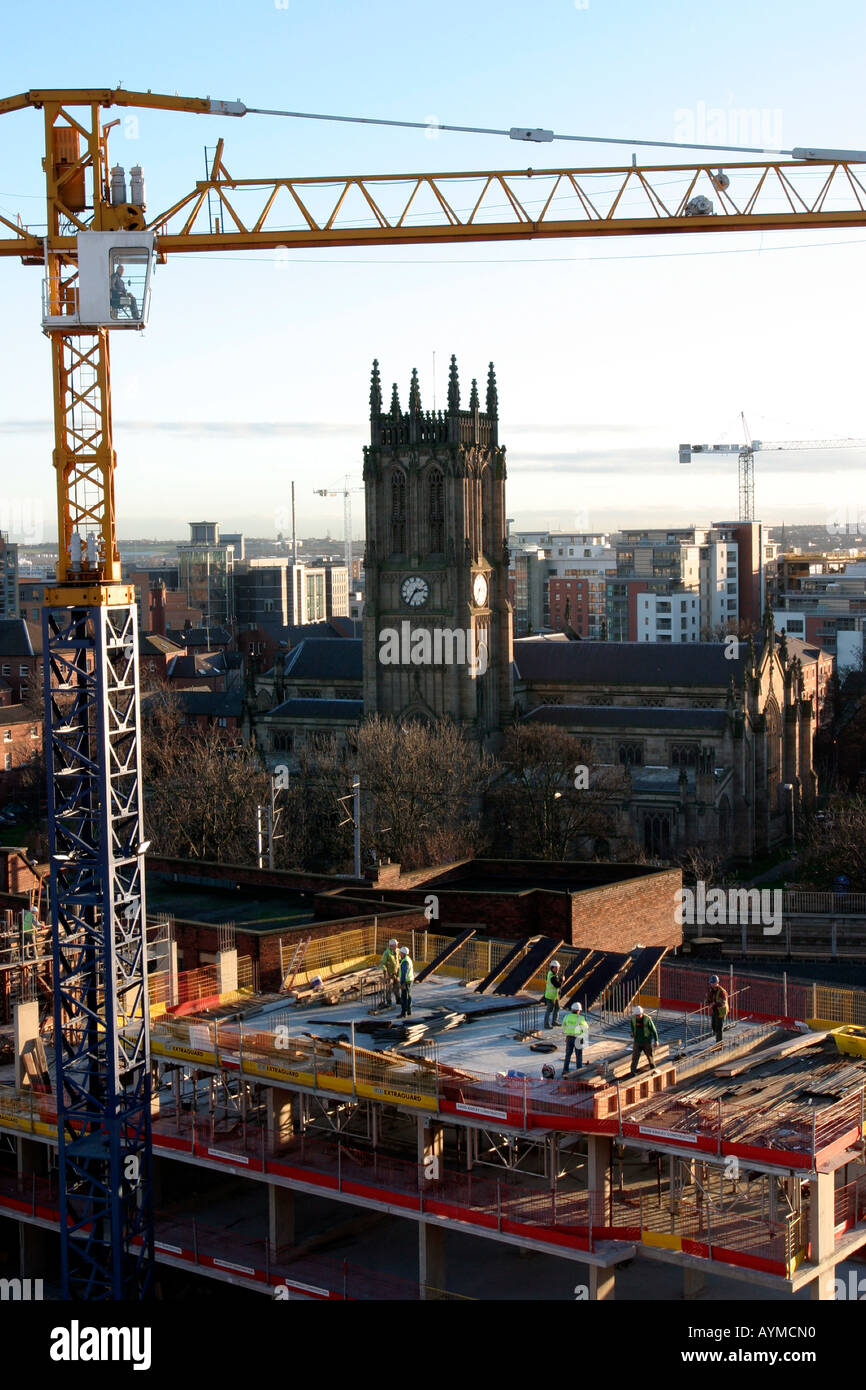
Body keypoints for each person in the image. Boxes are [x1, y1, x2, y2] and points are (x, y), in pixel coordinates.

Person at [561, 1001, 589, 1076]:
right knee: (578, 1056)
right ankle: (579, 1071)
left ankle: (565, 1070)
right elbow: (586, 1028)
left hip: (569, 1038)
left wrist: (568, 1032)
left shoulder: (566, 1017)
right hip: (578, 1038)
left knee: (568, 1055)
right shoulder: (581, 1018)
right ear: (578, 1011)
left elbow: (563, 1025)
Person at [629, 1005, 658, 1076]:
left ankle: (653, 1069)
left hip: (646, 1042)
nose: (638, 1017)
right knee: (635, 1057)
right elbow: (632, 1027)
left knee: (650, 1056)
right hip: (637, 1041)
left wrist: (656, 1040)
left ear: (642, 1013)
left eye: (639, 1015)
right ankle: (633, 1073)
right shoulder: (633, 1019)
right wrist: (633, 1033)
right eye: (637, 1015)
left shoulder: (647, 1019)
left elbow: (654, 1030)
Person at [706, 974, 729, 1044]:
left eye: (713, 983)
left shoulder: (722, 992)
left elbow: (723, 1002)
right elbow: (709, 999)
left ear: (717, 982)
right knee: (713, 1026)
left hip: (721, 1011)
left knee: (719, 1027)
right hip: (714, 1010)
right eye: (711, 983)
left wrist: (714, 1003)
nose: (712, 984)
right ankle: (718, 1038)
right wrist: (709, 1003)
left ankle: (719, 1043)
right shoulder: (711, 990)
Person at [543, 960, 564, 1029]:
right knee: (549, 1010)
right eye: (556, 968)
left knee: (557, 1008)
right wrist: (562, 980)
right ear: (552, 968)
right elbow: (557, 985)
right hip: (550, 996)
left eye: (558, 968)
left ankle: (554, 1021)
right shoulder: (552, 976)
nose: (558, 969)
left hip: (555, 996)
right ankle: (546, 1024)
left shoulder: (553, 974)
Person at [380, 937, 399, 1005]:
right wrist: (385, 975)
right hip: (389, 974)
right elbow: (382, 964)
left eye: (396, 945)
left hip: (396, 973)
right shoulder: (386, 953)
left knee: (397, 987)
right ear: (391, 946)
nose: (397, 946)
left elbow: (398, 961)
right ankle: (389, 1001)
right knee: (389, 989)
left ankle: (398, 1000)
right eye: (395, 945)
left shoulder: (397, 951)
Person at [398, 944, 414, 1018]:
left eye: (400, 952)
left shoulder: (405, 962)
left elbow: (404, 973)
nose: (399, 954)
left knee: (404, 997)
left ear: (403, 953)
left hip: (406, 982)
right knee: (408, 996)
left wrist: (403, 983)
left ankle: (403, 1013)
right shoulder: (408, 959)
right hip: (409, 980)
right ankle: (409, 1011)